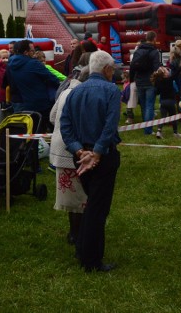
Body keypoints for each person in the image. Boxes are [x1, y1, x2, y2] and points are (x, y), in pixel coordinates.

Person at [59, 50, 121, 273]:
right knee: (97, 208)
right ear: (106, 69)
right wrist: (97, 152)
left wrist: (78, 151)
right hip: (101, 157)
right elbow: (110, 124)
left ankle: (82, 249)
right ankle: (92, 260)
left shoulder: (74, 91)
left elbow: (65, 126)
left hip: (82, 157)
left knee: (91, 204)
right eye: (112, 69)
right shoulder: (112, 90)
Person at [50, 61, 89, 245]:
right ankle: (78, 234)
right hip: (73, 150)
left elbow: (51, 116)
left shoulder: (65, 91)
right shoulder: (82, 94)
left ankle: (73, 233)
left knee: (71, 197)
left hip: (60, 149)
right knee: (80, 198)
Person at [6, 39, 60, 132]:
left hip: (23, 101)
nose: (34, 53)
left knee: (29, 131)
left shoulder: (11, 63)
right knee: (45, 129)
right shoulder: (33, 63)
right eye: (32, 51)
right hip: (41, 103)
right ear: (26, 52)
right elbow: (52, 79)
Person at [130, 31, 162, 135]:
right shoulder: (154, 52)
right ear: (154, 39)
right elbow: (156, 68)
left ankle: (145, 126)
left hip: (139, 80)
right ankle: (148, 130)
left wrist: (131, 80)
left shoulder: (138, 50)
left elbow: (132, 66)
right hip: (150, 81)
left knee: (143, 105)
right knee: (149, 105)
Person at [152, 67, 180, 138]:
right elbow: (177, 72)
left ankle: (159, 131)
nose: (168, 71)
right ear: (165, 73)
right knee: (173, 117)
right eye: (166, 70)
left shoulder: (158, 81)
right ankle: (175, 132)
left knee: (163, 117)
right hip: (170, 101)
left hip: (163, 102)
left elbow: (157, 92)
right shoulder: (169, 80)